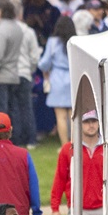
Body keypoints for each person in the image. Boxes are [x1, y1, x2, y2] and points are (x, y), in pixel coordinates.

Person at [0, 0, 37, 147]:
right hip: (13, 74)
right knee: (13, 109)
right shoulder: (17, 28)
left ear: (1, 10)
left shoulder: (1, 30)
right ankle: (14, 138)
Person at [39, 16, 75, 146]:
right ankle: (75, 145)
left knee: (61, 116)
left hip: (57, 79)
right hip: (72, 78)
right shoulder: (75, 41)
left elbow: (44, 63)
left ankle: (65, 146)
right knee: (73, 115)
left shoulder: (53, 42)